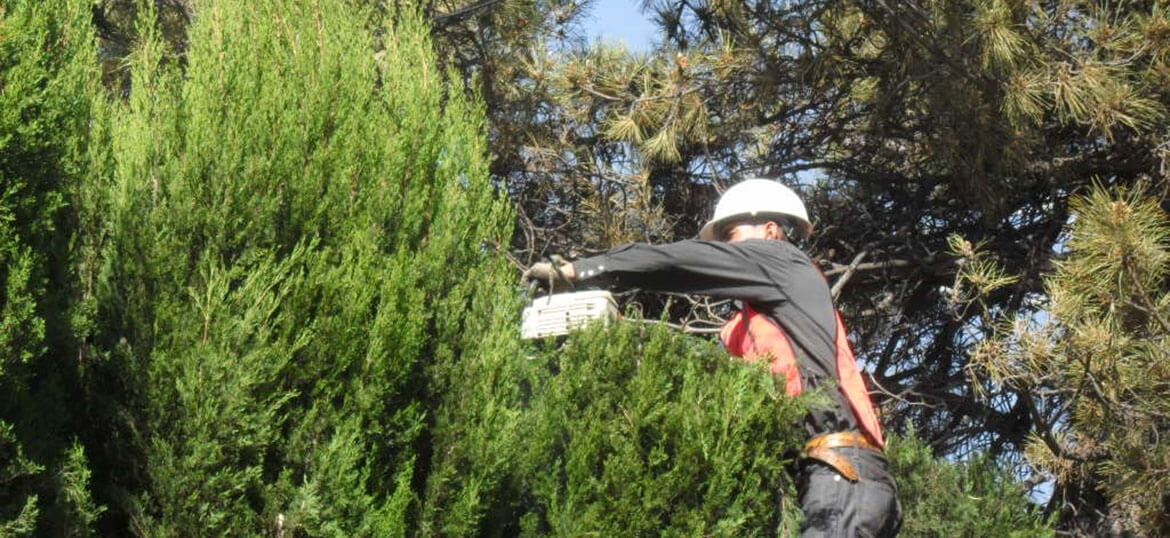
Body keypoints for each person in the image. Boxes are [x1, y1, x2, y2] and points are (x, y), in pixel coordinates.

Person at [523, 178, 902, 537]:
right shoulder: (754, 325)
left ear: (771, 231)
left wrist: (579, 270)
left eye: (731, 236)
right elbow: (712, 374)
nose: (727, 251)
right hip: (830, 479)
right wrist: (626, 340)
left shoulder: (785, 263)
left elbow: (680, 261)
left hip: (844, 472)